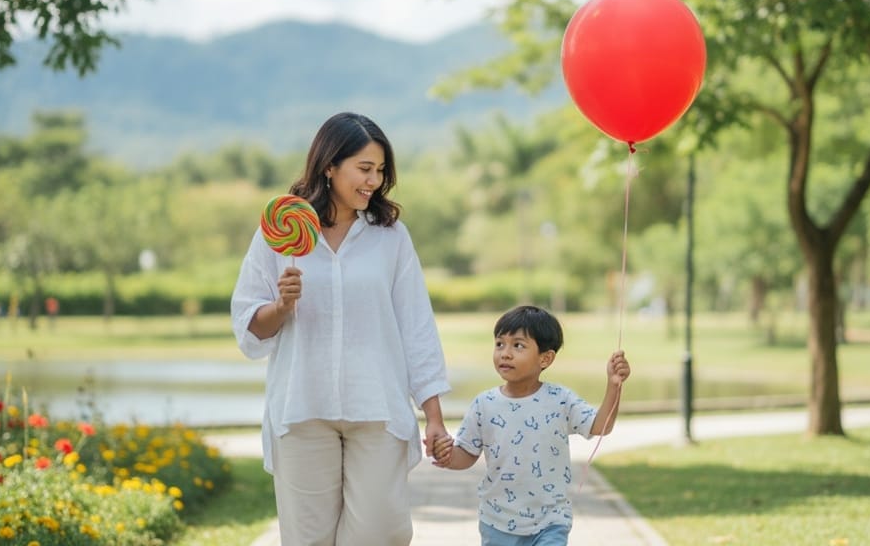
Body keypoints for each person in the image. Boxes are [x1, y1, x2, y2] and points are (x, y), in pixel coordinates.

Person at [230, 112, 450, 546]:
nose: (374, 181)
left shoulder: (391, 237)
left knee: (382, 531)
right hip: (302, 407)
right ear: (329, 166)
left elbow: (416, 326)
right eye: (364, 169)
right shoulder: (278, 234)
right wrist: (281, 305)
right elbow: (248, 324)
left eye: (381, 171)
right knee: (307, 539)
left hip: (377, 407)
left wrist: (435, 418)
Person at [432, 305, 630, 546]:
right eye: (499, 344)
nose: (505, 353)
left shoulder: (561, 400)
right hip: (498, 520)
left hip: (550, 522)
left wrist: (614, 385)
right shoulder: (484, 404)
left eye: (518, 345)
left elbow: (601, 426)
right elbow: (466, 454)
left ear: (545, 358)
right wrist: (446, 455)